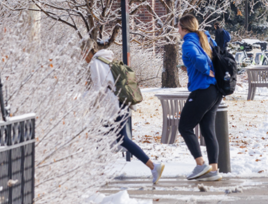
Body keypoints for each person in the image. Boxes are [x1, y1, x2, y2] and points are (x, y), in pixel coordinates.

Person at [87, 46, 165, 186]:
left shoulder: (95, 63)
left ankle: (100, 174)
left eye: (82, 53)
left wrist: (90, 105)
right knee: (116, 137)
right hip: (119, 102)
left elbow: (98, 88)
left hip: (111, 106)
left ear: (87, 51)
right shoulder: (106, 59)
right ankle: (153, 167)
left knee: (106, 136)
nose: (82, 57)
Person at [178, 15, 223, 182]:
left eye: (178, 27)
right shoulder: (206, 38)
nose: (178, 31)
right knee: (208, 130)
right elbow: (215, 56)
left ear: (184, 28)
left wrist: (205, 70)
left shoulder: (188, 43)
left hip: (202, 90)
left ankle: (200, 164)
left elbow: (199, 59)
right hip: (215, 90)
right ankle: (213, 170)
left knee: (184, 127)